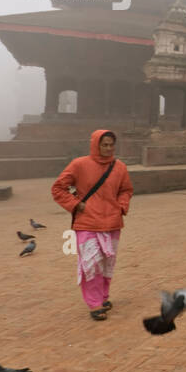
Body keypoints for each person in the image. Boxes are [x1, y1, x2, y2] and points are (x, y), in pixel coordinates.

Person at [51, 130, 134, 321]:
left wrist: (121, 206)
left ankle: (103, 297)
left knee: (106, 263)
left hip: (112, 222)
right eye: (103, 145)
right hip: (87, 222)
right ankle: (94, 303)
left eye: (111, 145)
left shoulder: (119, 167)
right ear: (95, 145)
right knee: (91, 264)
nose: (108, 148)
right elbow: (58, 188)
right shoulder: (79, 165)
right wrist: (75, 204)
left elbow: (126, 189)